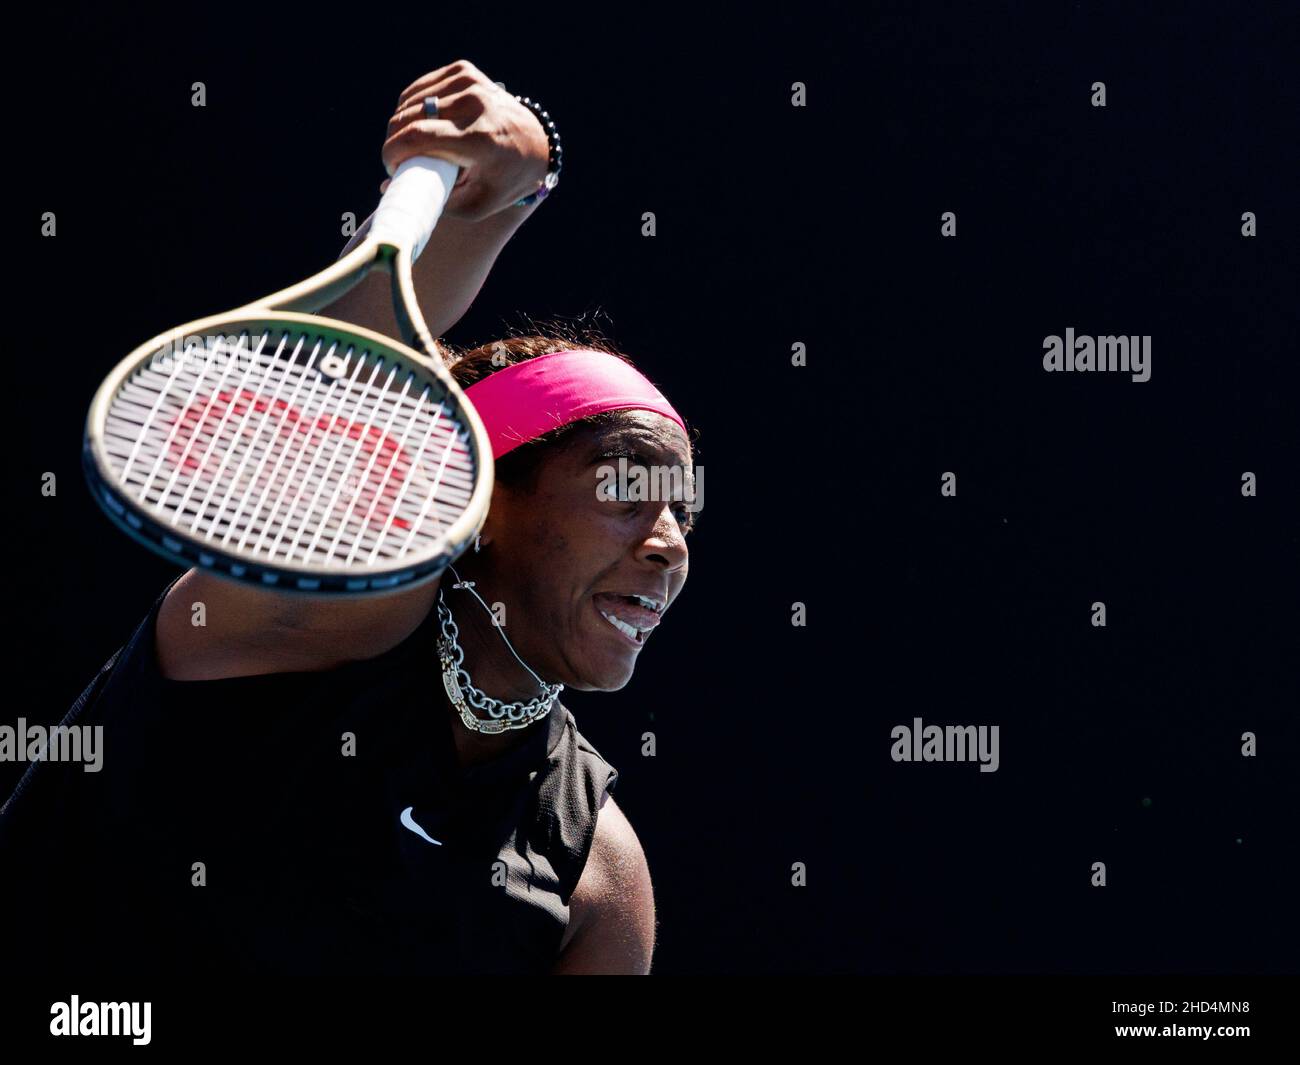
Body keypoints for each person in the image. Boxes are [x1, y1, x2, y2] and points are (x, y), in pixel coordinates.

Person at [0, 60, 696, 976]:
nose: (670, 545)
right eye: (624, 490)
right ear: (482, 499)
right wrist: (517, 181)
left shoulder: (596, 871)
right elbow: (361, 386)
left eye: (685, 513)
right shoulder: (323, 621)